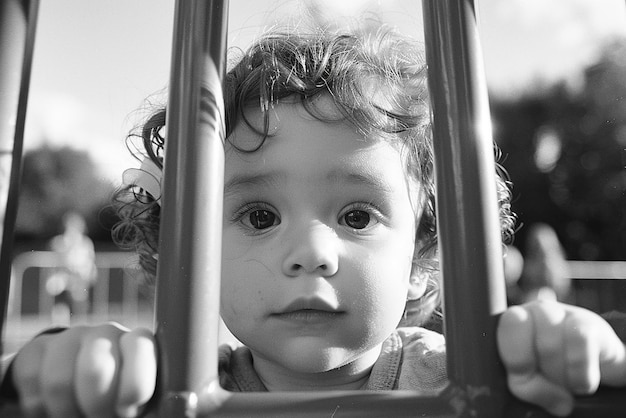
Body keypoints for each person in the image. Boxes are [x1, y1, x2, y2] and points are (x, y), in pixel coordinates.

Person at [2, 26, 625, 418]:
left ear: (423, 257)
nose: (311, 253)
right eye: (259, 215)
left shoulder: (463, 375)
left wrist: (563, 347)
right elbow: (82, 374)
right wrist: (70, 364)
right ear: (190, 258)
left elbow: (561, 367)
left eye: (357, 215)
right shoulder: (171, 385)